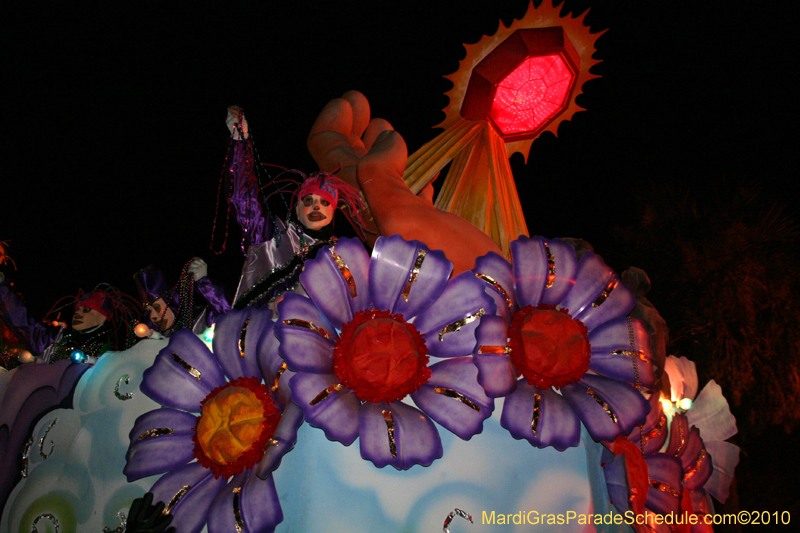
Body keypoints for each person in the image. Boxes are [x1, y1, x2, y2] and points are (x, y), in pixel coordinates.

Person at [223, 106, 367, 309]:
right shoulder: (274, 236)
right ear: (298, 209)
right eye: (309, 201)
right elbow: (244, 201)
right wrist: (240, 144)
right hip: (259, 334)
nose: (316, 206)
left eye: (324, 202)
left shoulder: (344, 254)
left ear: (332, 212)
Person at [0, 275, 137, 364]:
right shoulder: (54, 339)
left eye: (86, 310)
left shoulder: (109, 355)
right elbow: (22, 322)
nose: (77, 314)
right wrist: (3, 288)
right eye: (77, 309)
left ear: (102, 318)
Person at [133, 257, 229, 336]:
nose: (153, 316)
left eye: (157, 308)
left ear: (173, 301)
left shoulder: (202, 319)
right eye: (149, 311)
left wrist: (204, 284)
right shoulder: (154, 337)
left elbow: (231, 316)